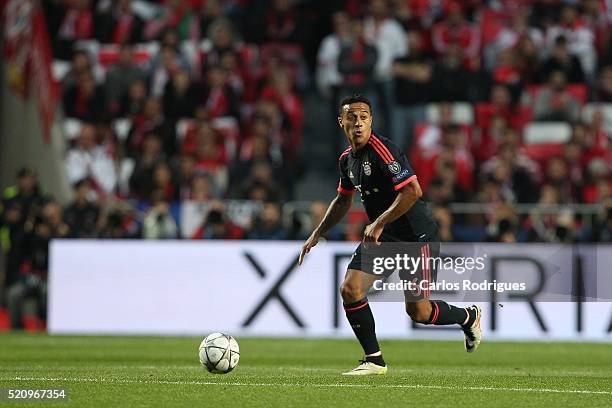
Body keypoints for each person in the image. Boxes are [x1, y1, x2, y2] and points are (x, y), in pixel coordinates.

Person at [298, 95, 482, 375]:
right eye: (352, 117)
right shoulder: (347, 160)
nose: (358, 122)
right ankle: (374, 360)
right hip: (383, 236)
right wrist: (317, 233)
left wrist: (379, 222)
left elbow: (413, 191)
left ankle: (468, 316)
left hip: (415, 235)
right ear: (341, 122)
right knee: (350, 289)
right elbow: (343, 200)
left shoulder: (383, 150)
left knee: (419, 313)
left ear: (371, 120)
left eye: (363, 116)